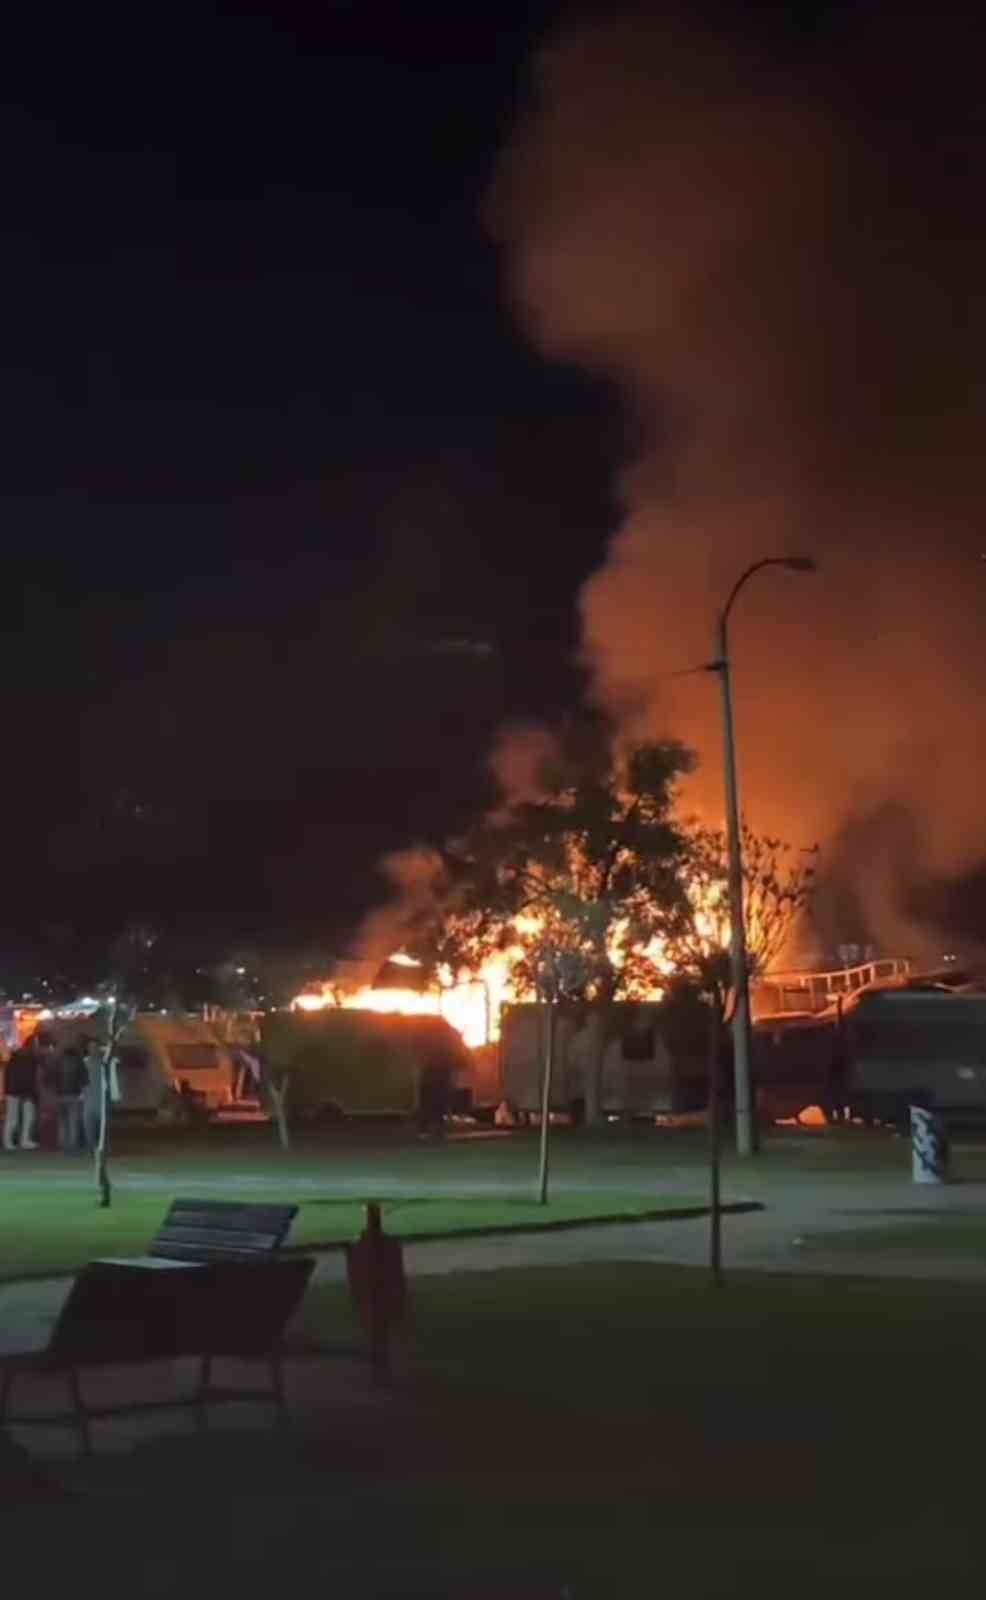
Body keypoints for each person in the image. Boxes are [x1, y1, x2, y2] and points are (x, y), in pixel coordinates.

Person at [2, 1030, 56, 1151]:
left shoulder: (30, 1058)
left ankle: (22, 1140)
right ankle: (10, 1142)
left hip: (24, 1092)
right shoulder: (19, 1058)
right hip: (17, 1092)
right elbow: (15, 1077)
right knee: (14, 1118)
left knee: (27, 1117)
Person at [52, 1043, 88, 1153]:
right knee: (73, 1121)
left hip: (60, 1095)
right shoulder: (79, 1062)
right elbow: (84, 1079)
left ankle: (62, 1144)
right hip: (74, 1095)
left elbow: (53, 1078)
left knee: (62, 1122)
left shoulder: (58, 1063)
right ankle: (73, 1145)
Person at [81, 1036, 107, 1154]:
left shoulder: (104, 1063)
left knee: (101, 1126)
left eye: (95, 1047)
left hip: (101, 1099)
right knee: (89, 1125)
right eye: (90, 1047)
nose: (93, 1050)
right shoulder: (84, 1062)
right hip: (88, 1098)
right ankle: (90, 1148)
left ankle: (100, 1148)